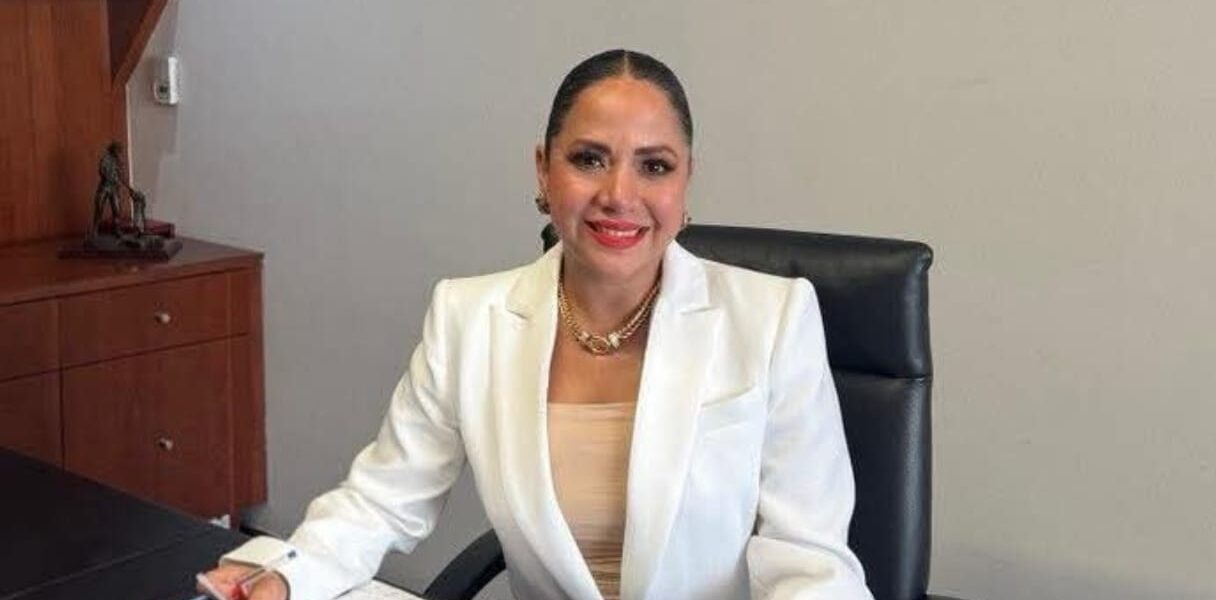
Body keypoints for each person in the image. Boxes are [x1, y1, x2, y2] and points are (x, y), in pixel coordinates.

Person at [203, 49, 873, 600]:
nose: (619, 194)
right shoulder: (468, 318)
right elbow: (382, 499)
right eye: (589, 158)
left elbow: (809, 561)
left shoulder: (773, 319)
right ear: (543, 171)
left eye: (655, 166)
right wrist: (288, 576)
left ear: (686, 181)